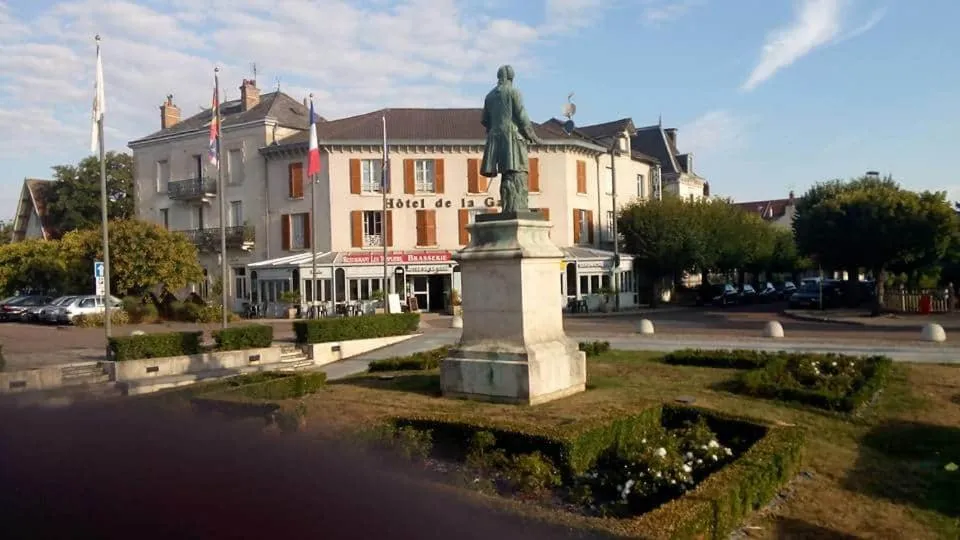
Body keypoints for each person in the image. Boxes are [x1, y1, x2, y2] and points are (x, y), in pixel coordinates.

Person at [480, 65, 542, 214]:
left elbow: (484, 120)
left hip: (496, 139)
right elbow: (522, 116)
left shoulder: (489, 96)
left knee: (506, 174)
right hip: (512, 138)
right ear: (511, 78)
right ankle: (518, 207)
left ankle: (508, 207)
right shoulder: (514, 92)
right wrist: (532, 136)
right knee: (518, 170)